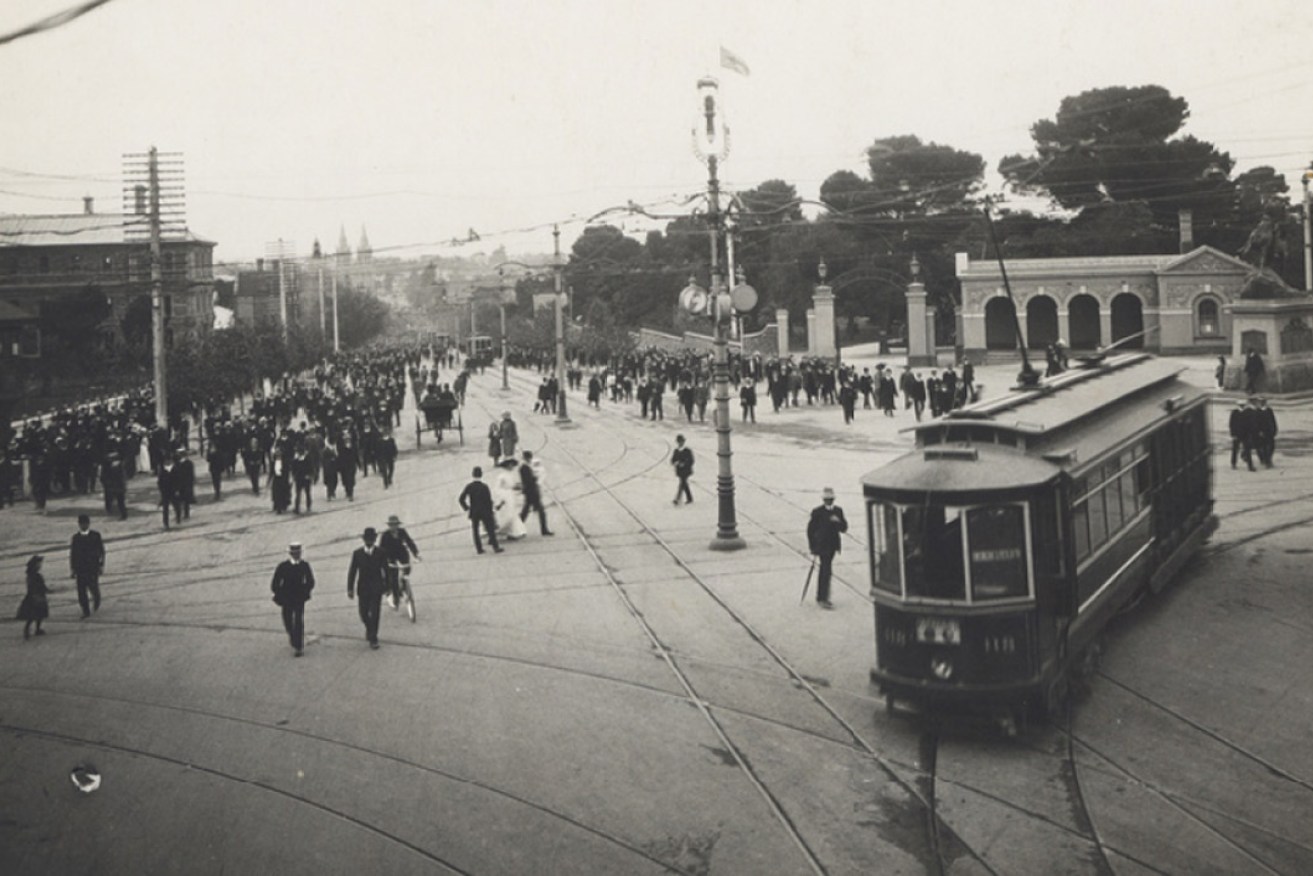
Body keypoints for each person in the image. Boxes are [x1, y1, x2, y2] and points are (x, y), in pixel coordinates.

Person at [806, 487, 848, 609]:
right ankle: (822, 597)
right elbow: (810, 530)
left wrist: (838, 522)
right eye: (826, 499)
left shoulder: (838, 511)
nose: (828, 501)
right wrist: (813, 546)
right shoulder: (817, 512)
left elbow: (844, 528)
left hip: (833, 546)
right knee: (825, 571)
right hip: (822, 546)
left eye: (830, 499)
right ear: (823, 500)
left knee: (827, 571)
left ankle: (823, 596)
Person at [346, 527, 387, 649]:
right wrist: (350, 588)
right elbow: (352, 571)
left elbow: (386, 570)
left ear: (375, 540)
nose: (369, 542)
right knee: (363, 613)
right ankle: (369, 629)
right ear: (364, 540)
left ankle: (373, 638)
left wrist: (388, 586)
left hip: (376, 587)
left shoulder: (381, 552)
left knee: (375, 613)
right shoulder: (357, 554)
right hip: (363, 588)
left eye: (372, 539)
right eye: (367, 540)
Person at [271, 542, 315, 656]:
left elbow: (310, 581)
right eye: (294, 553)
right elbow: (275, 583)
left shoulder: (304, 565)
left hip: (299, 598)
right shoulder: (283, 566)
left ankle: (298, 646)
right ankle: (292, 635)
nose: (297, 555)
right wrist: (279, 594)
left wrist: (305, 591)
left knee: (299, 621)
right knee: (287, 620)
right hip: (286, 598)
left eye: (298, 553)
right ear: (290, 554)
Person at [458, 466, 503, 554]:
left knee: (475, 530)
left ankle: (479, 548)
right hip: (485, 511)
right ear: (481, 475)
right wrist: (491, 511)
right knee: (490, 529)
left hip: (474, 511)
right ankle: (495, 547)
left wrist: (467, 508)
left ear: (473, 475)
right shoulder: (484, 487)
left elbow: (461, 499)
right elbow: (488, 500)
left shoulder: (469, 486)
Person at [380, 514, 420, 609]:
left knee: (406, 569)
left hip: (402, 554)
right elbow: (381, 549)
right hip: (390, 555)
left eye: (396, 525)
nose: (394, 527)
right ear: (389, 526)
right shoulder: (385, 535)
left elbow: (409, 542)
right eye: (392, 525)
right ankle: (396, 598)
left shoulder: (402, 532)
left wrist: (416, 554)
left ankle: (404, 584)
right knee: (393, 576)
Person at [69, 514, 105, 619]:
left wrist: (101, 565)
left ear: (88, 524)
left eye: (85, 523)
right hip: (80, 568)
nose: (83, 526)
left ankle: (96, 598)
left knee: (93, 586)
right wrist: (73, 569)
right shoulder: (76, 538)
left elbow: (102, 551)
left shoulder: (95, 535)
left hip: (92, 567)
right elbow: (73, 554)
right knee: (81, 591)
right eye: (81, 524)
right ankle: (85, 610)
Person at [518, 450, 554, 535]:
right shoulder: (524, 468)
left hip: (530, 492)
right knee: (539, 512)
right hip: (532, 492)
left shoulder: (525, 467)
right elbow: (529, 481)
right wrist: (535, 478)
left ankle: (517, 528)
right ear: (527, 458)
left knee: (526, 512)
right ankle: (544, 530)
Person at [17, 555, 49, 640]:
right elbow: (35, 586)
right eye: (38, 564)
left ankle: (36, 629)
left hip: (36, 595)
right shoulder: (34, 576)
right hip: (35, 596)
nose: (40, 566)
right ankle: (30, 630)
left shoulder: (33, 575)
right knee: (34, 615)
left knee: (38, 614)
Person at [495, 458, 527, 541]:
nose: (512, 467)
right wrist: (501, 498)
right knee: (508, 515)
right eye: (510, 465)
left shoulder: (510, 474)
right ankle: (501, 531)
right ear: (507, 466)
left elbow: (512, 485)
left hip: (510, 496)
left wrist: (518, 487)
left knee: (512, 514)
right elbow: (497, 488)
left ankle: (514, 532)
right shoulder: (502, 476)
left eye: (512, 465)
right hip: (505, 496)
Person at [1229, 400, 1256, 472]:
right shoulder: (1235, 412)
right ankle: (1233, 463)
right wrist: (1233, 434)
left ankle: (1250, 466)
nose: (1242, 406)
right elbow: (1232, 424)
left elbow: (1251, 424)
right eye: (1241, 405)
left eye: (1243, 405)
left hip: (1246, 434)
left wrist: (1251, 433)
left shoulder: (1248, 412)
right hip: (1237, 434)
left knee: (1247, 450)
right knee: (1235, 449)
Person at [1254, 397, 1277, 468]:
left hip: (1269, 432)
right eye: (1261, 402)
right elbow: (1255, 423)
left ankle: (1268, 459)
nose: (1262, 403)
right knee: (1262, 447)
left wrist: (1274, 430)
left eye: (1263, 402)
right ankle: (1266, 461)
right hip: (1261, 432)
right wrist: (1258, 431)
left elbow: (1273, 420)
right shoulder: (1257, 411)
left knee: (1271, 447)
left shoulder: (1269, 410)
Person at [671, 435, 694, 505]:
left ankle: (677, 499)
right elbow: (672, 460)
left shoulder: (687, 450)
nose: (680, 443)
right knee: (684, 484)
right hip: (679, 471)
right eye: (679, 442)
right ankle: (689, 498)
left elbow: (691, 460)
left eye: (681, 442)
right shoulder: (676, 451)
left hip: (686, 470)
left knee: (682, 483)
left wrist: (684, 464)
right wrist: (676, 463)